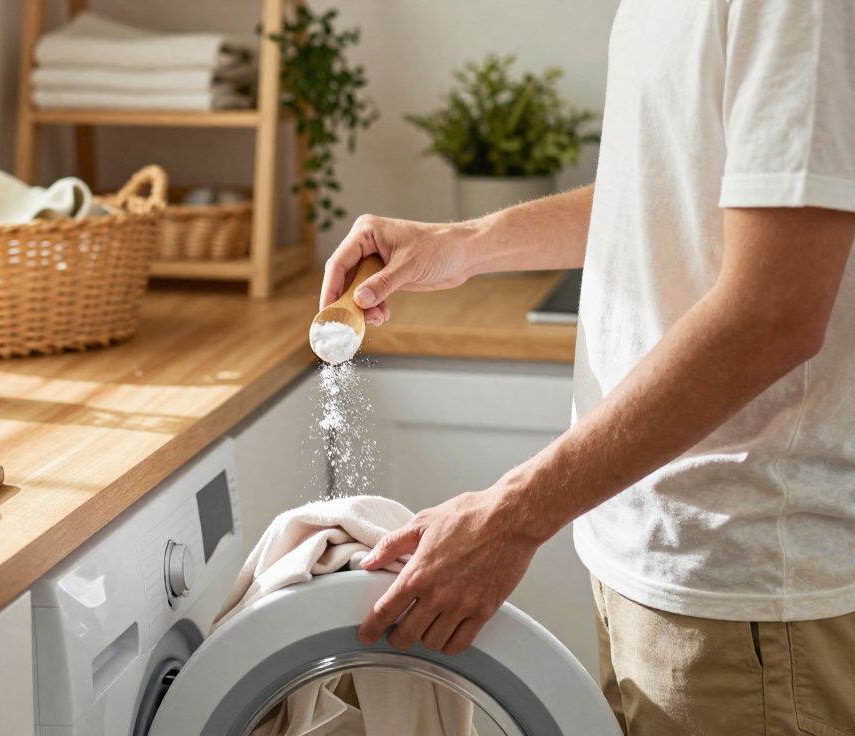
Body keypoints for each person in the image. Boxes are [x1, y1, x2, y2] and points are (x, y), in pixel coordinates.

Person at [319, 3, 855, 734]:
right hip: (653, 554)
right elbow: (676, 190)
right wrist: (463, 243)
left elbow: (773, 313)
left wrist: (510, 516)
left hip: (748, 586)